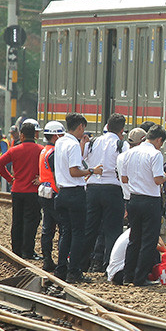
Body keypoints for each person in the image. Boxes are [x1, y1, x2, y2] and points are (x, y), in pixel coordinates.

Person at [54, 113, 103, 284]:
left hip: (62, 193)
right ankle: (74, 271)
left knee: (65, 233)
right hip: (75, 193)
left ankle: (61, 269)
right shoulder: (73, 145)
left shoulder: (60, 141)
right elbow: (74, 171)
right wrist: (92, 171)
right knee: (78, 234)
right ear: (81, 127)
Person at [120, 124, 166, 287]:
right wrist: (165, 177)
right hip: (150, 201)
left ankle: (128, 276)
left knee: (134, 239)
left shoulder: (130, 153)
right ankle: (140, 278)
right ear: (159, 139)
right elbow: (157, 180)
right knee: (148, 240)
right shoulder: (156, 154)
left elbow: (124, 179)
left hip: (133, 200)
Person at [83, 113, 126, 273]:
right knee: (112, 230)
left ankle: (82, 264)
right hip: (113, 189)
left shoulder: (94, 141)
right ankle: (108, 265)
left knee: (89, 228)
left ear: (107, 126)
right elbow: (123, 166)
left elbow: (83, 158)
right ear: (121, 129)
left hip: (92, 188)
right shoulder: (122, 145)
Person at [0, 120, 43, 259]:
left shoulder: (14, 149)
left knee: (17, 220)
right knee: (31, 221)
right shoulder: (40, 150)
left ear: (21, 135)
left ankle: (16, 250)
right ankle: (28, 251)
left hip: (17, 190)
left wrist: (10, 179)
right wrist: (41, 178)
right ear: (35, 135)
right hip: (33, 191)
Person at [38, 122, 65, 272]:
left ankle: (47, 259)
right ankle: (60, 261)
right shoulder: (54, 153)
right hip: (54, 193)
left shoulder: (44, 150)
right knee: (62, 227)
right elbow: (56, 176)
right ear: (56, 135)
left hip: (44, 192)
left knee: (47, 228)